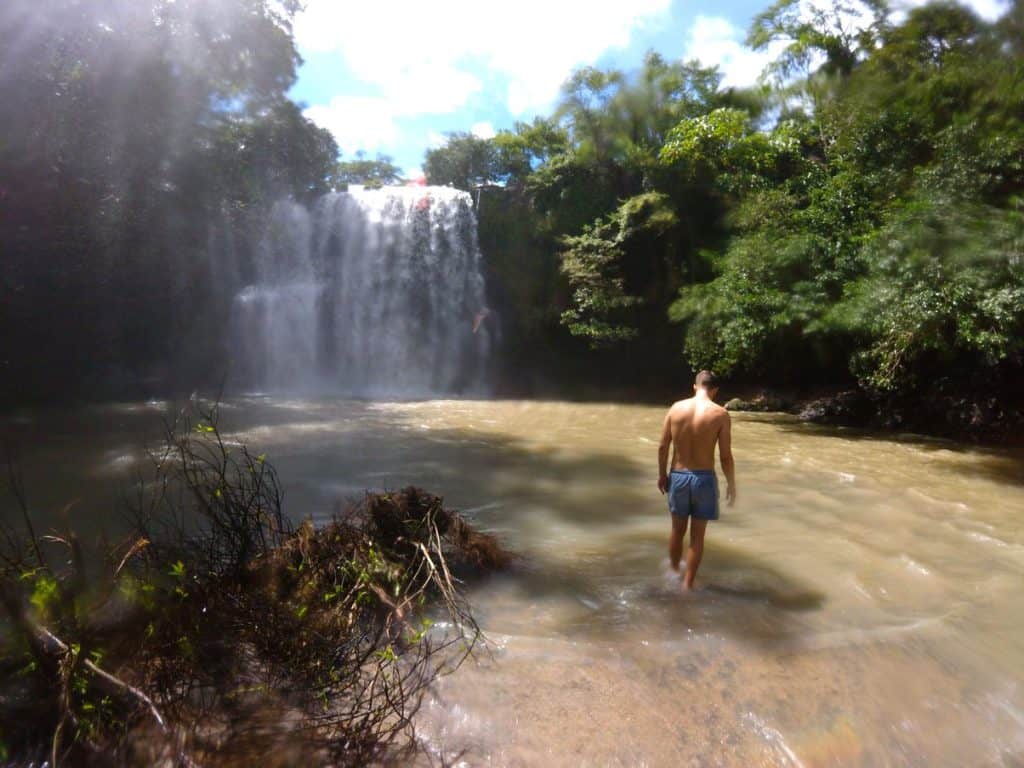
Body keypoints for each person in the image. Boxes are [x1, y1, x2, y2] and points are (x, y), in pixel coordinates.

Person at [657, 370, 736, 590]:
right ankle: (687, 586)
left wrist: (662, 475)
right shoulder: (720, 414)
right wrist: (731, 484)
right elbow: (726, 456)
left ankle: (673, 574)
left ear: (695, 386)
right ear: (715, 390)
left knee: (677, 531)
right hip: (704, 479)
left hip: (679, 476)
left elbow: (663, 446)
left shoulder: (676, 409)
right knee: (697, 537)